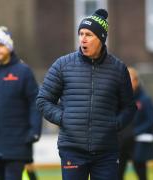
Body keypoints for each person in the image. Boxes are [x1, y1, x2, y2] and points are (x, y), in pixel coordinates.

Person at [36, 9, 136, 180]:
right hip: (72, 150)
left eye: (88, 34)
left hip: (107, 152)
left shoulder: (118, 69)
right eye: (81, 33)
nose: (83, 38)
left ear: (101, 38)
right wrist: (64, 118)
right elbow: (43, 100)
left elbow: (129, 107)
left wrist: (114, 124)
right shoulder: (62, 65)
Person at [0, 26, 42, 180]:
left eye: (0, 45)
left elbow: (35, 103)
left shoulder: (23, 72)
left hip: (16, 146)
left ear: (9, 47)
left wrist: (34, 131)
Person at [118, 67, 153, 180]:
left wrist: (134, 132)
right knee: (117, 173)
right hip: (121, 142)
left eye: (129, 79)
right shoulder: (119, 99)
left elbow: (152, 120)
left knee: (141, 173)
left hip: (138, 142)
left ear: (136, 81)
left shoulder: (145, 99)